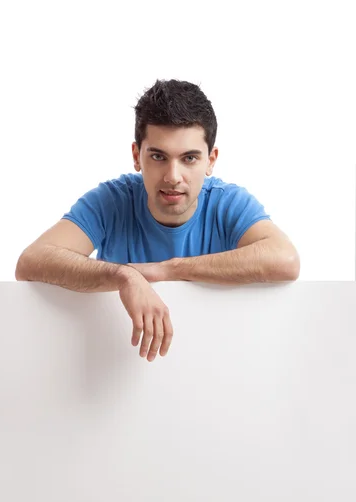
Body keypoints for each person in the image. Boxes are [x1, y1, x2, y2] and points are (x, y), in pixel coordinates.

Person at [15, 79, 300, 363]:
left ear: (211, 160)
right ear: (137, 156)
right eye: (158, 156)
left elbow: (285, 260)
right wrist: (124, 276)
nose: (173, 176)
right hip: (115, 366)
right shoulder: (113, 200)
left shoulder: (226, 203)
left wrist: (169, 269)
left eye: (189, 158)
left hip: (213, 365)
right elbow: (31, 261)